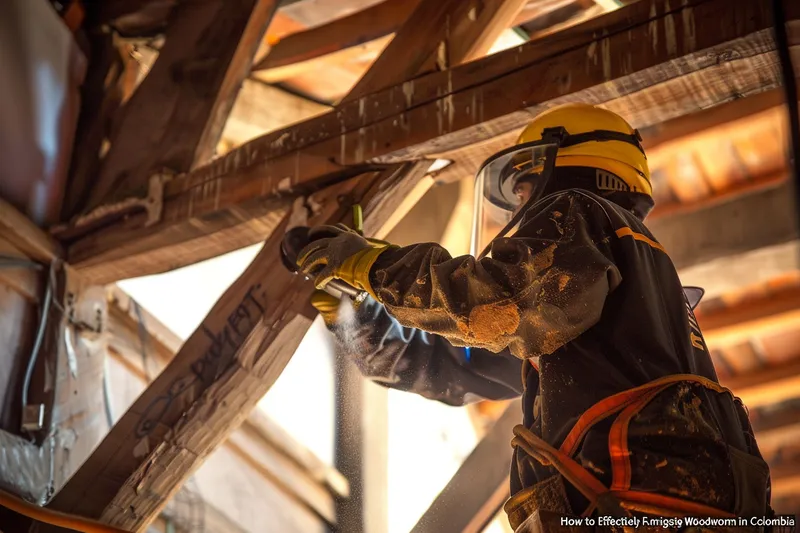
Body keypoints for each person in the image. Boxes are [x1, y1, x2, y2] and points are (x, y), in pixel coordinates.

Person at [296, 104, 772, 531]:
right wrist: (356, 316)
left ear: (567, 167)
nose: (523, 209)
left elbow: (493, 305)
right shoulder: (615, 318)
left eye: (525, 189)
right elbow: (450, 367)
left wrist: (373, 265)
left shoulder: (582, 212)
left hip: (630, 511)